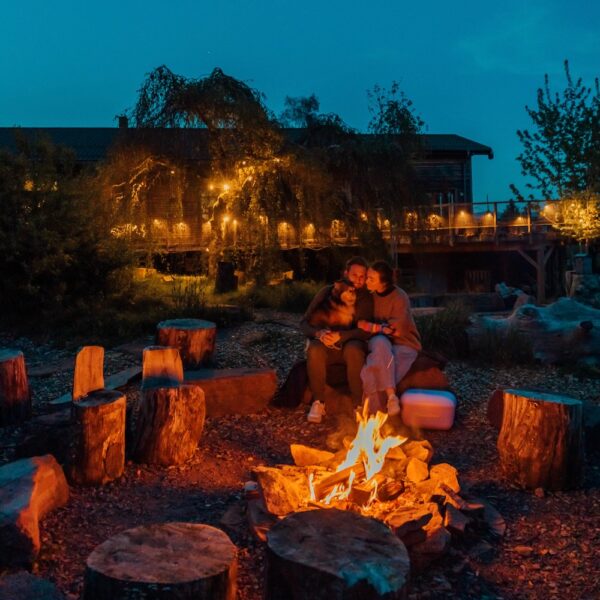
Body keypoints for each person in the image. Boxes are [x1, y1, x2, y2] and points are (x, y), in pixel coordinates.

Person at [300, 256, 374, 423]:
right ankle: (318, 403)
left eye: (362, 276)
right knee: (315, 348)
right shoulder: (327, 292)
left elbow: (366, 331)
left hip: (350, 344)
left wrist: (342, 336)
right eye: (354, 275)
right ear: (346, 273)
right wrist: (319, 333)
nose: (358, 280)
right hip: (326, 343)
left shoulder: (366, 298)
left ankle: (359, 405)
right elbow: (304, 324)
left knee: (354, 349)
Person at [358, 260, 421, 416]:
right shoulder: (369, 296)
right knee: (381, 344)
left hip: (403, 343)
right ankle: (392, 397)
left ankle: (373, 413)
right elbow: (360, 323)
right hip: (379, 340)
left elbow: (397, 329)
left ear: (383, 282)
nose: (366, 281)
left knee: (378, 368)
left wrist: (372, 326)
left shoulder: (400, 297)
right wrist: (379, 328)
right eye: (367, 277)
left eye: (371, 279)